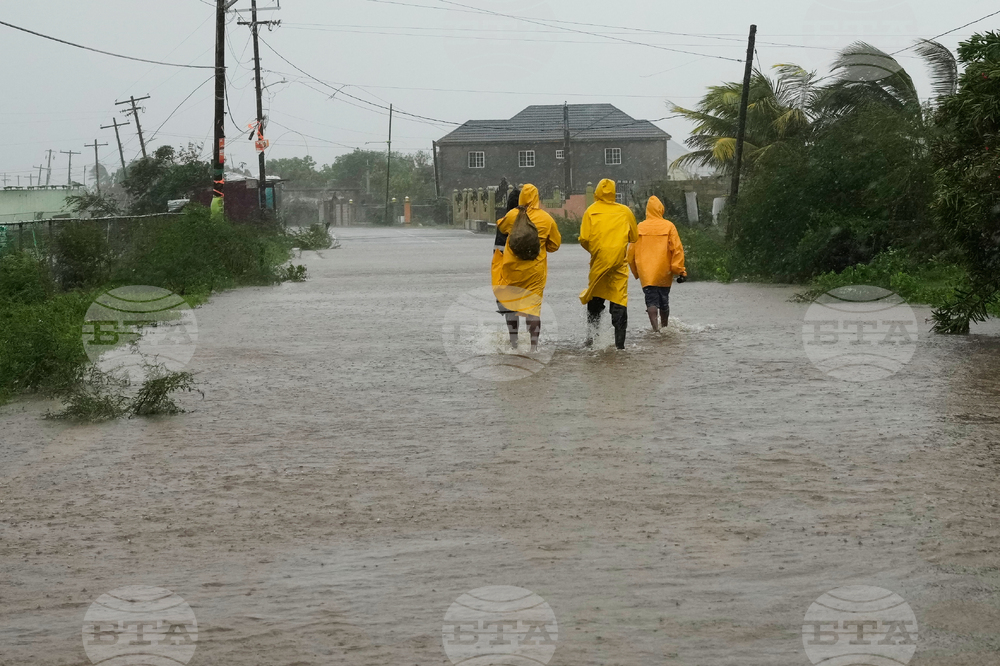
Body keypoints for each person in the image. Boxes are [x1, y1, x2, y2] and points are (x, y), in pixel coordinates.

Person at [496, 184, 562, 351]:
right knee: (533, 309)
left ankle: (513, 344)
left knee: (511, 306)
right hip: (535, 271)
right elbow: (555, 245)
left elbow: (501, 228)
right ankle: (533, 347)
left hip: (512, 270)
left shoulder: (513, 215)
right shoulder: (546, 219)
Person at [578, 179, 638, 350]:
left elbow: (584, 239)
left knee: (595, 296)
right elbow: (634, 237)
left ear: (597, 192)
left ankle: (591, 340)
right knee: (619, 299)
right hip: (619, 263)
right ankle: (620, 345)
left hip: (599, 261)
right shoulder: (625, 211)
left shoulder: (591, 211)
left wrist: (596, 250)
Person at [627, 195, 687, 332]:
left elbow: (630, 254)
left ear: (647, 210)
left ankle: (655, 330)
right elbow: (677, 249)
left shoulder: (640, 227)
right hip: (664, 271)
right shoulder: (669, 226)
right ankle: (665, 327)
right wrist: (679, 270)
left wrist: (637, 273)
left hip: (646, 272)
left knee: (650, 300)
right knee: (664, 300)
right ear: (661, 209)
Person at [491, 186, 522, 334]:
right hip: (527, 268)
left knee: (510, 307)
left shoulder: (504, 222)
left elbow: (497, 250)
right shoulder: (530, 220)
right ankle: (533, 345)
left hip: (505, 269)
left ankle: (514, 340)